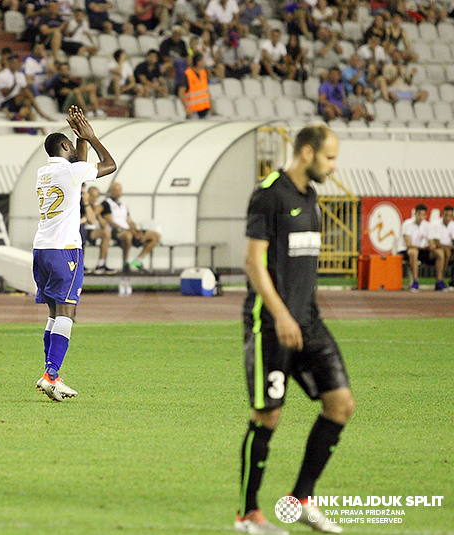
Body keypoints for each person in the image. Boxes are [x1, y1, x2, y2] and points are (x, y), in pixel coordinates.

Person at [237, 125, 353, 534]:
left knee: (341, 404)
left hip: (309, 320)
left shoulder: (312, 196)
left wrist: (300, 314)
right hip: (269, 323)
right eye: (330, 157)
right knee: (268, 417)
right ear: (307, 153)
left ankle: (302, 499)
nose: (334, 166)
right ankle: (248, 515)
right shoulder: (269, 192)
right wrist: (281, 315)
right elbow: (254, 262)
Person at [33, 106, 116, 402]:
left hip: (41, 249)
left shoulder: (45, 171)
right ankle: (51, 375)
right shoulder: (70, 170)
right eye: (72, 144)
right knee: (68, 312)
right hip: (64, 250)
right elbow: (109, 164)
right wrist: (91, 137)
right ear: (64, 147)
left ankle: (50, 373)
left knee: (54, 313)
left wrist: (78, 138)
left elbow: (79, 168)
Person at [100, 181, 159, 272]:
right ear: (110, 191)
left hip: (129, 229)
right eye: (115, 190)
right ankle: (126, 261)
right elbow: (111, 221)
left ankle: (138, 260)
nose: (118, 192)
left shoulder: (123, 205)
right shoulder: (106, 204)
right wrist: (129, 230)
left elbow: (129, 220)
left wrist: (136, 230)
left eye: (119, 190)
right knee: (128, 236)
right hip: (117, 231)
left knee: (154, 236)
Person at [398, 203, 446, 291]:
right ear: (415, 214)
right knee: (414, 252)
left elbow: (431, 241)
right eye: (419, 214)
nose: (421, 217)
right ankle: (415, 281)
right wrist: (422, 247)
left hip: (422, 251)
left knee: (440, 253)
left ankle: (439, 280)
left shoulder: (427, 226)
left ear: (426, 215)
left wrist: (432, 246)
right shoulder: (407, 224)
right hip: (407, 251)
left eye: (423, 215)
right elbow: (408, 244)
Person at [85, 185, 114, 274]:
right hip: (85, 229)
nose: (94, 199)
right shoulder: (84, 206)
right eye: (93, 196)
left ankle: (101, 263)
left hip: (95, 231)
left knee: (106, 233)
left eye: (96, 196)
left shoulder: (98, 208)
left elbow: (103, 225)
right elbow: (87, 221)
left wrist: (98, 214)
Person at [179, 53, 212, 119]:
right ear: (198, 62)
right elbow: (181, 92)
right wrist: (187, 108)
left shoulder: (203, 72)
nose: (204, 62)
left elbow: (206, 90)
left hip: (205, 108)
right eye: (203, 61)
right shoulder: (188, 74)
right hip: (193, 110)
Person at [430, 205, 453, 288]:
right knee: (442, 254)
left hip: (448, 249)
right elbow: (437, 243)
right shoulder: (436, 224)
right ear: (442, 215)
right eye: (446, 215)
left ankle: (450, 280)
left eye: (450, 216)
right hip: (435, 250)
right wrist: (448, 248)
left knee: (447, 253)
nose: (447, 218)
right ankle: (439, 279)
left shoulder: (452, 225)